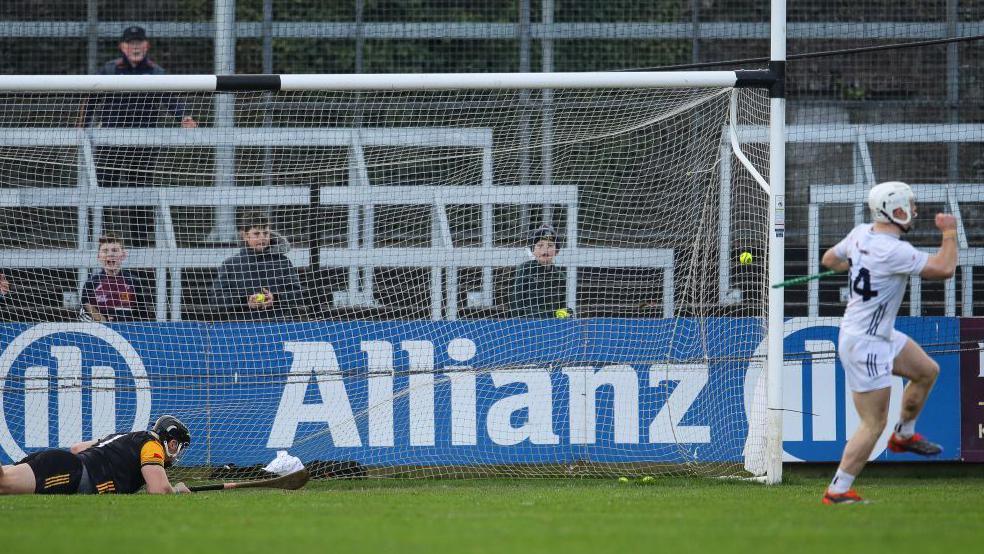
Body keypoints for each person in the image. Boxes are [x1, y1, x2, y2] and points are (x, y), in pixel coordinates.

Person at [820, 181, 958, 505]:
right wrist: (950, 232)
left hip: (880, 334)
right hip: (865, 342)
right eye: (909, 205)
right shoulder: (895, 250)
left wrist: (853, 263)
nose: (914, 211)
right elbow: (945, 268)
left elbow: (829, 259)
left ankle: (904, 436)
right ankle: (838, 491)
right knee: (872, 423)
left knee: (926, 370)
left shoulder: (860, 234)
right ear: (895, 209)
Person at [0, 415, 191, 495]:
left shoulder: (123, 437)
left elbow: (76, 448)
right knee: (4, 483)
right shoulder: (153, 445)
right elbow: (159, 489)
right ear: (172, 442)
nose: (176, 455)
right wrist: (177, 490)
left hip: (62, 463)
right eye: (179, 447)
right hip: (68, 472)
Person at [212, 212, 303, 320]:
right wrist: (245, 300)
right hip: (241, 326)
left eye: (266, 233)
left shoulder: (282, 262)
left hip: (278, 325)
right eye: (256, 234)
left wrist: (275, 298)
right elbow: (216, 297)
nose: (262, 237)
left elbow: (298, 293)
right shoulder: (230, 264)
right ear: (245, 236)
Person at [80, 233, 152, 322]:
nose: (110, 254)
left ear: (123, 255)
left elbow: (145, 316)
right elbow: (83, 316)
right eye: (105, 251)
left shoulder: (134, 282)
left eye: (114, 250)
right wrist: (101, 320)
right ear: (98, 256)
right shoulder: (91, 283)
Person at [509, 224, 570, 318]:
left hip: (551, 328)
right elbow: (516, 302)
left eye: (550, 245)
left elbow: (561, 307)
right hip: (527, 327)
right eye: (540, 245)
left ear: (557, 251)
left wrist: (566, 313)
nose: (545, 250)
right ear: (533, 250)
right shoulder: (525, 269)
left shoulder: (561, 277)